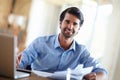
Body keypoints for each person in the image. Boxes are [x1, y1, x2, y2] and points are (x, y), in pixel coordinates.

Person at [17, 7, 107, 80]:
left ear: (79, 29)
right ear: (60, 23)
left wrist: (96, 77)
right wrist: (16, 63)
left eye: (75, 24)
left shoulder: (81, 51)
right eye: (67, 21)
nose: (70, 26)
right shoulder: (41, 42)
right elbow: (22, 61)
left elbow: (102, 71)